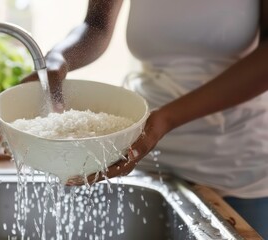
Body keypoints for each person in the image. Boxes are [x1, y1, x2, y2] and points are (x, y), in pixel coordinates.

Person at [20, 0, 268, 237]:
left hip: (234, 163)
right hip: (146, 151)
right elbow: (96, 25)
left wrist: (167, 119)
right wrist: (58, 59)